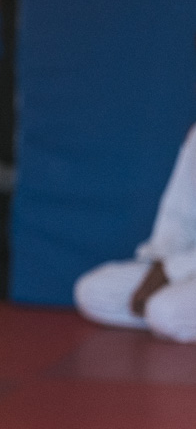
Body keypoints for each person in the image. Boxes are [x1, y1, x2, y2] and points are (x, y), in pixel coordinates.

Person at [75, 124, 196, 342]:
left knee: (165, 314)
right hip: (187, 267)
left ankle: (166, 313)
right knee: (93, 293)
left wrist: (171, 270)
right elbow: (178, 214)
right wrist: (161, 261)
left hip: (185, 265)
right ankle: (167, 311)